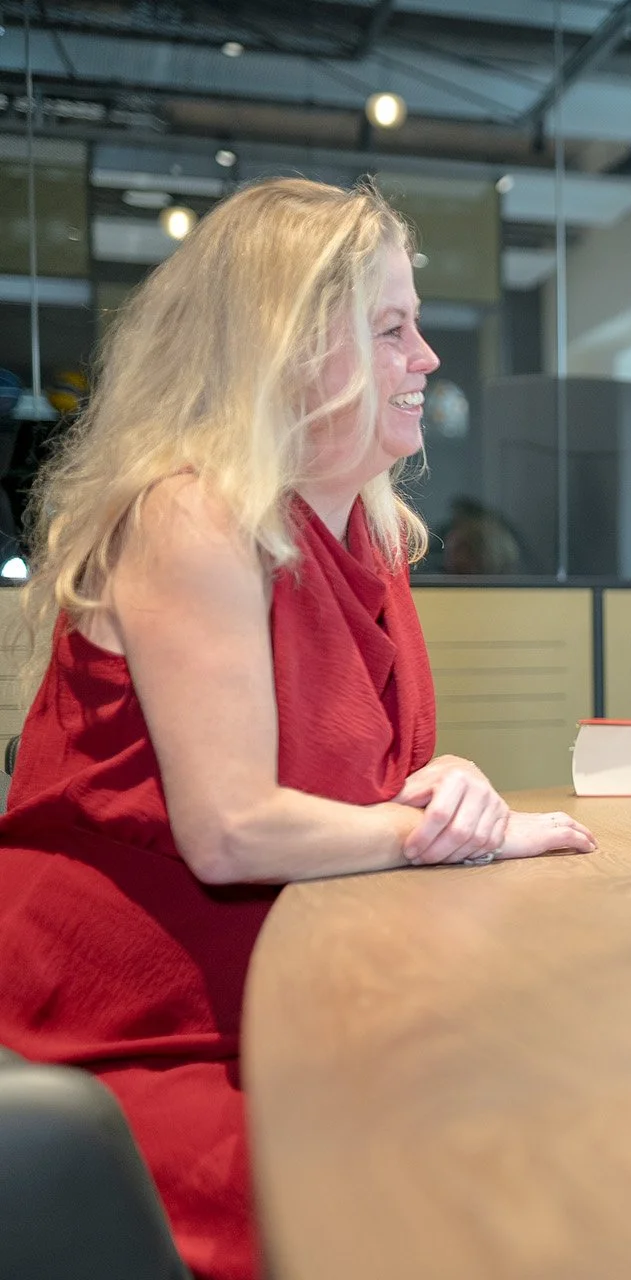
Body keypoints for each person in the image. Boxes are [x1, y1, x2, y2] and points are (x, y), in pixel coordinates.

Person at [0, 178, 597, 1279]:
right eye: (391, 329)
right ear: (285, 349)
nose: (427, 357)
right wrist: (447, 835)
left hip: (288, 995)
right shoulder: (190, 515)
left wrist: (448, 780)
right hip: (143, 1028)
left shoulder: (369, 528)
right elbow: (231, 829)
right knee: (441, 1202)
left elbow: (356, 779)